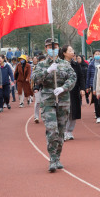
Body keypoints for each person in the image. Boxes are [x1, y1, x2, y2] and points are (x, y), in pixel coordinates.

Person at [32, 38, 76, 173]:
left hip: (63, 100)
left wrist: (63, 88)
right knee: (52, 130)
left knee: (61, 131)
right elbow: (35, 78)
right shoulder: (41, 65)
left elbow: (72, 78)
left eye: (55, 47)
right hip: (48, 100)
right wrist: (47, 71)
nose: (53, 49)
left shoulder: (65, 64)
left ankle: (57, 157)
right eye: (50, 47)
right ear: (46, 49)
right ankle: (52, 158)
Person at [59, 45, 86, 141]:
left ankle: (69, 131)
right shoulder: (59, 64)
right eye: (70, 50)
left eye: (72, 50)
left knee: (74, 111)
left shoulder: (75, 64)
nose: (72, 52)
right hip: (63, 92)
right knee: (65, 111)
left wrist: (82, 88)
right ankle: (64, 131)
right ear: (64, 53)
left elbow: (81, 77)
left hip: (74, 91)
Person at [86, 49, 100, 125]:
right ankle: (98, 116)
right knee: (96, 101)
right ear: (93, 55)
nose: (97, 55)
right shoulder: (91, 64)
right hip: (94, 84)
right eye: (96, 54)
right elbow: (88, 76)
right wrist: (87, 86)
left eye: (98, 54)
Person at [32, 54, 45, 123]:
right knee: (37, 102)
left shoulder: (48, 68)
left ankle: (44, 116)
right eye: (41, 61)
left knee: (45, 103)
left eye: (44, 61)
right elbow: (35, 79)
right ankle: (36, 117)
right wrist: (35, 88)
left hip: (45, 88)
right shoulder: (36, 68)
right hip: (38, 87)